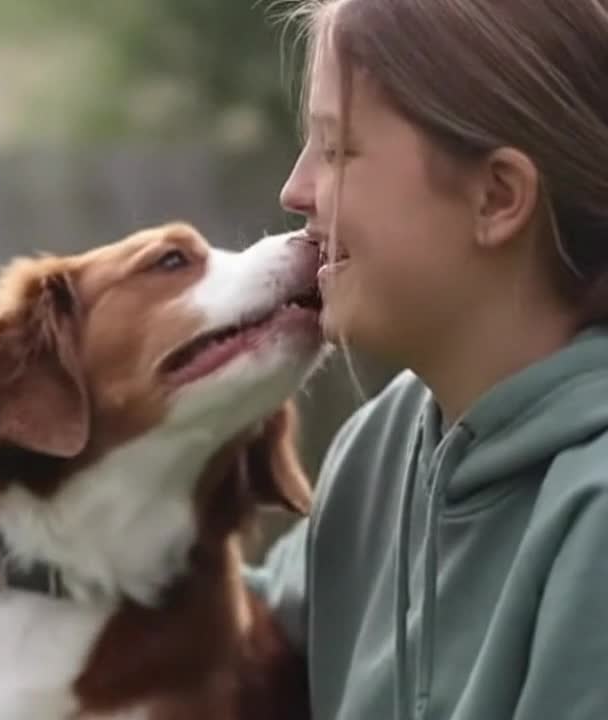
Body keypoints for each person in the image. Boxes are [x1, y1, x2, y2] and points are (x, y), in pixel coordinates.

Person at [245, 1, 608, 718]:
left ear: (498, 198)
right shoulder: (383, 445)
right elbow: (227, 643)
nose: (297, 190)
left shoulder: (595, 512)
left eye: (337, 149)